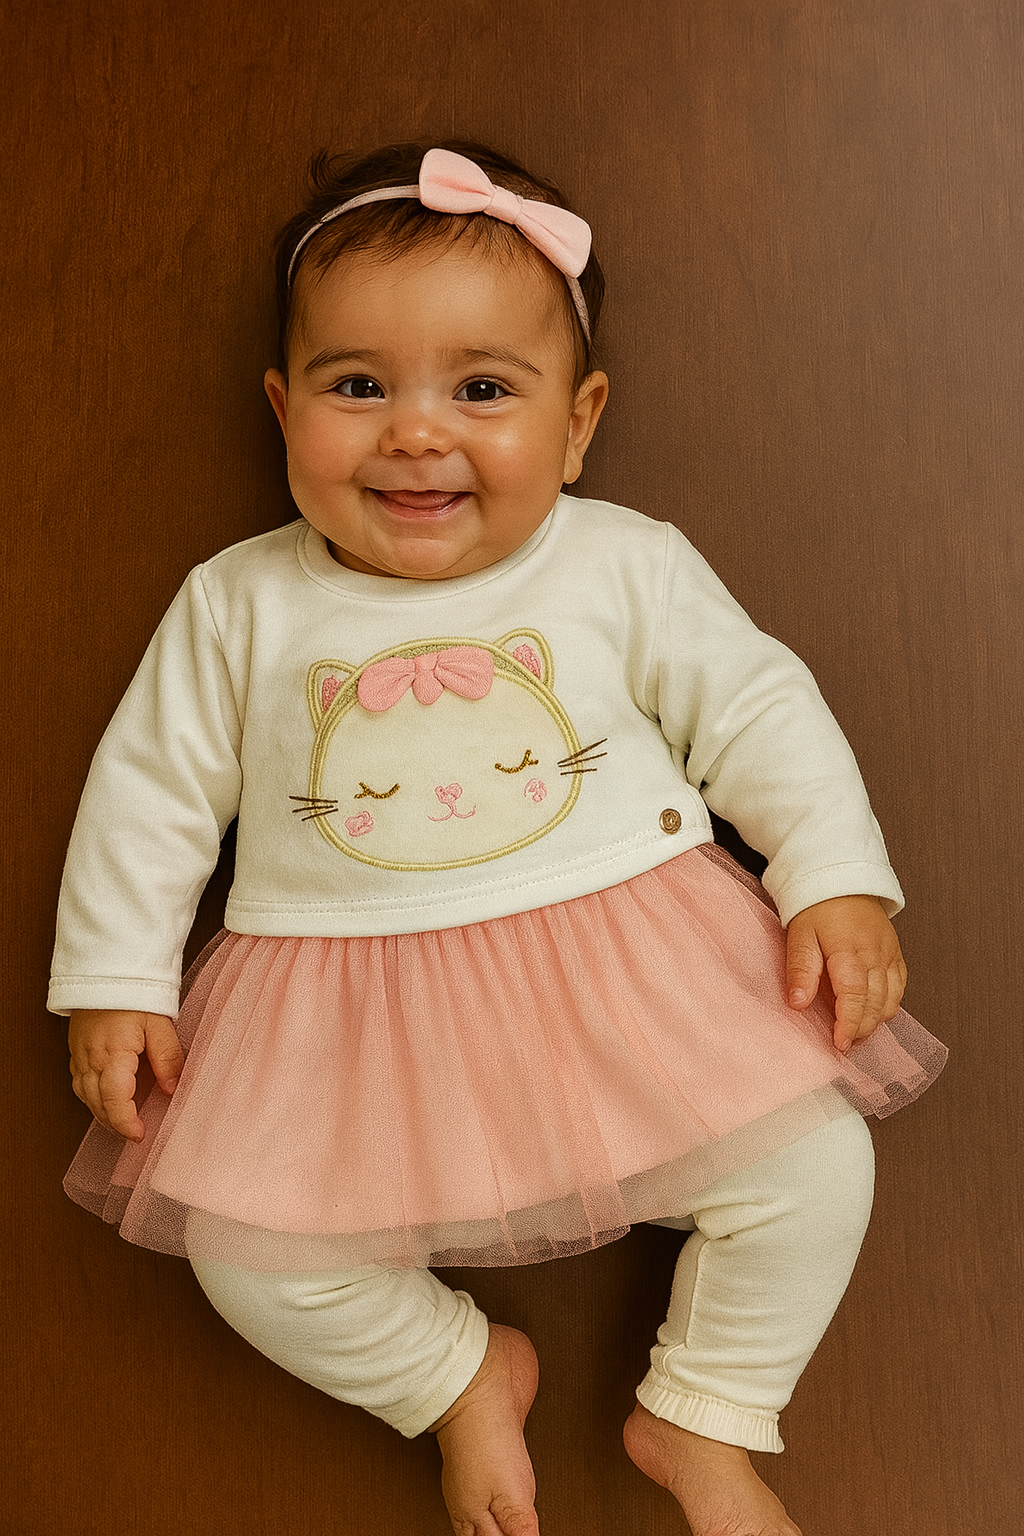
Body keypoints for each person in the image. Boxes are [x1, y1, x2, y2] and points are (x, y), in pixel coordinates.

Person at [51, 140, 946, 1536]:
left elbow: (758, 710)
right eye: (359, 387)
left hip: (636, 971)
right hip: (345, 1008)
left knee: (815, 1168)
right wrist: (118, 976)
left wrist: (832, 877)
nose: (417, 433)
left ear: (579, 423)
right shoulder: (239, 603)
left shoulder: (622, 562)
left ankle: (705, 1413)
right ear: (282, 407)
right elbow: (150, 791)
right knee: (251, 1257)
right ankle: (456, 1375)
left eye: (482, 389)